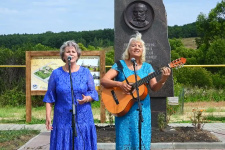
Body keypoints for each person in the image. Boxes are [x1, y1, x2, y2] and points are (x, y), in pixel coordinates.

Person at [100, 32, 171, 150]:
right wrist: (120, 84)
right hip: (123, 108)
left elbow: (154, 87)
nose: (136, 47)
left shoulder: (147, 67)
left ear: (143, 51)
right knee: (124, 141)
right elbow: (104, 80)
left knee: (141, 140)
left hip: (142, 110)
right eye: (133, 45)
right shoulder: (120, 65)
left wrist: (163, 79)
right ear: (128, 49)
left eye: (139, 46)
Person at [43, 40, 98, 150]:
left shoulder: (85, 72)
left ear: (77, 55)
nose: (71, 53)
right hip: (62, 117)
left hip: (83, 117)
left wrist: (87, 98)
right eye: (68, 51)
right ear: (63, 55)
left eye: (73, 51)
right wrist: (48, 116)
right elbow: (50, 96)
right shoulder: (56, 74)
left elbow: (93, 92)